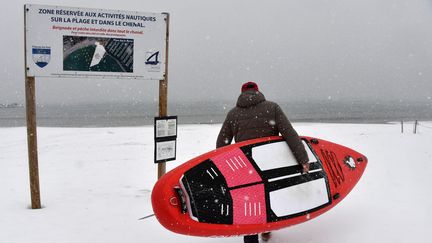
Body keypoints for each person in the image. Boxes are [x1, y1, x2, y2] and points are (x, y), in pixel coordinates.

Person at [216, 81, 310, 243]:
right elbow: (290, 134)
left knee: (249, 204)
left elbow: (222, 143)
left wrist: (222, 168)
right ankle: (267, 228)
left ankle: (252, 237)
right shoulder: (272, 108)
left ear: (242, 94)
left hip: (245, 168)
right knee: (270, 195)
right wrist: (303, 159)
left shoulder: (233, 114)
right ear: (258, 92)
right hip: (269, 163)